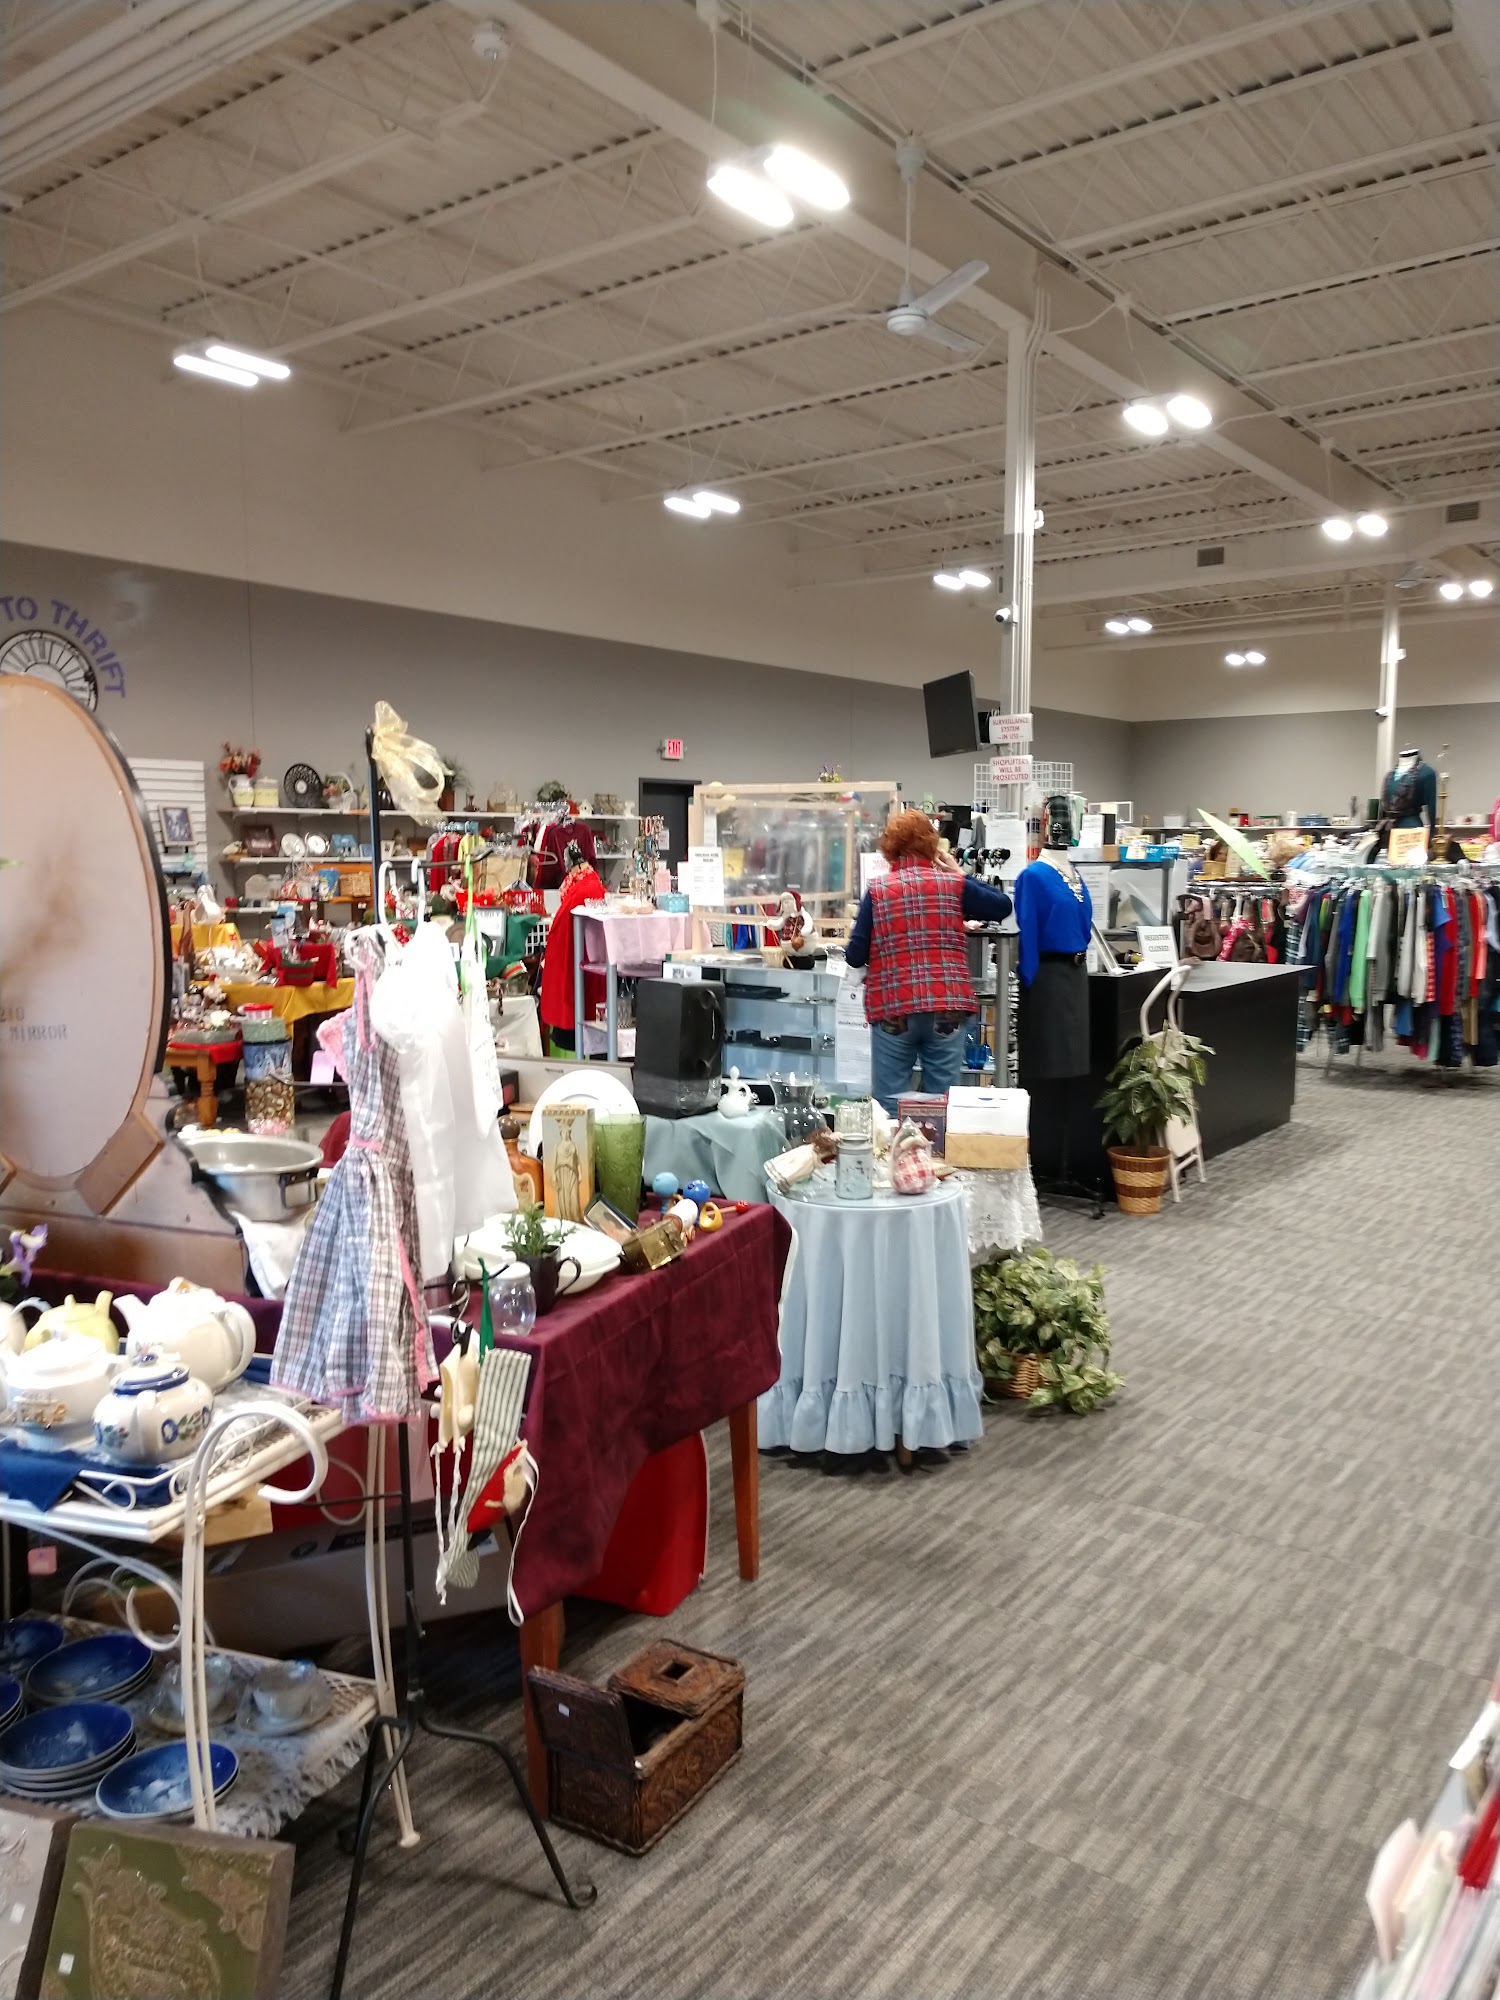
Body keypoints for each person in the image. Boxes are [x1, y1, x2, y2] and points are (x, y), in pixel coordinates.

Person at [845, 809, 1013, 1114]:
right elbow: (1002, 906)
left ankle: (896, 1144)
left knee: (890, 1101)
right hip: (947, 1006)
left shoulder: (878, 892)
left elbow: (855, 954)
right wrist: (959, 872)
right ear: (932, 845)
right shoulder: (953, 885)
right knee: (943, 1101)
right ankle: (938, 1143)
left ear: (890, 847)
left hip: (894, 1007)